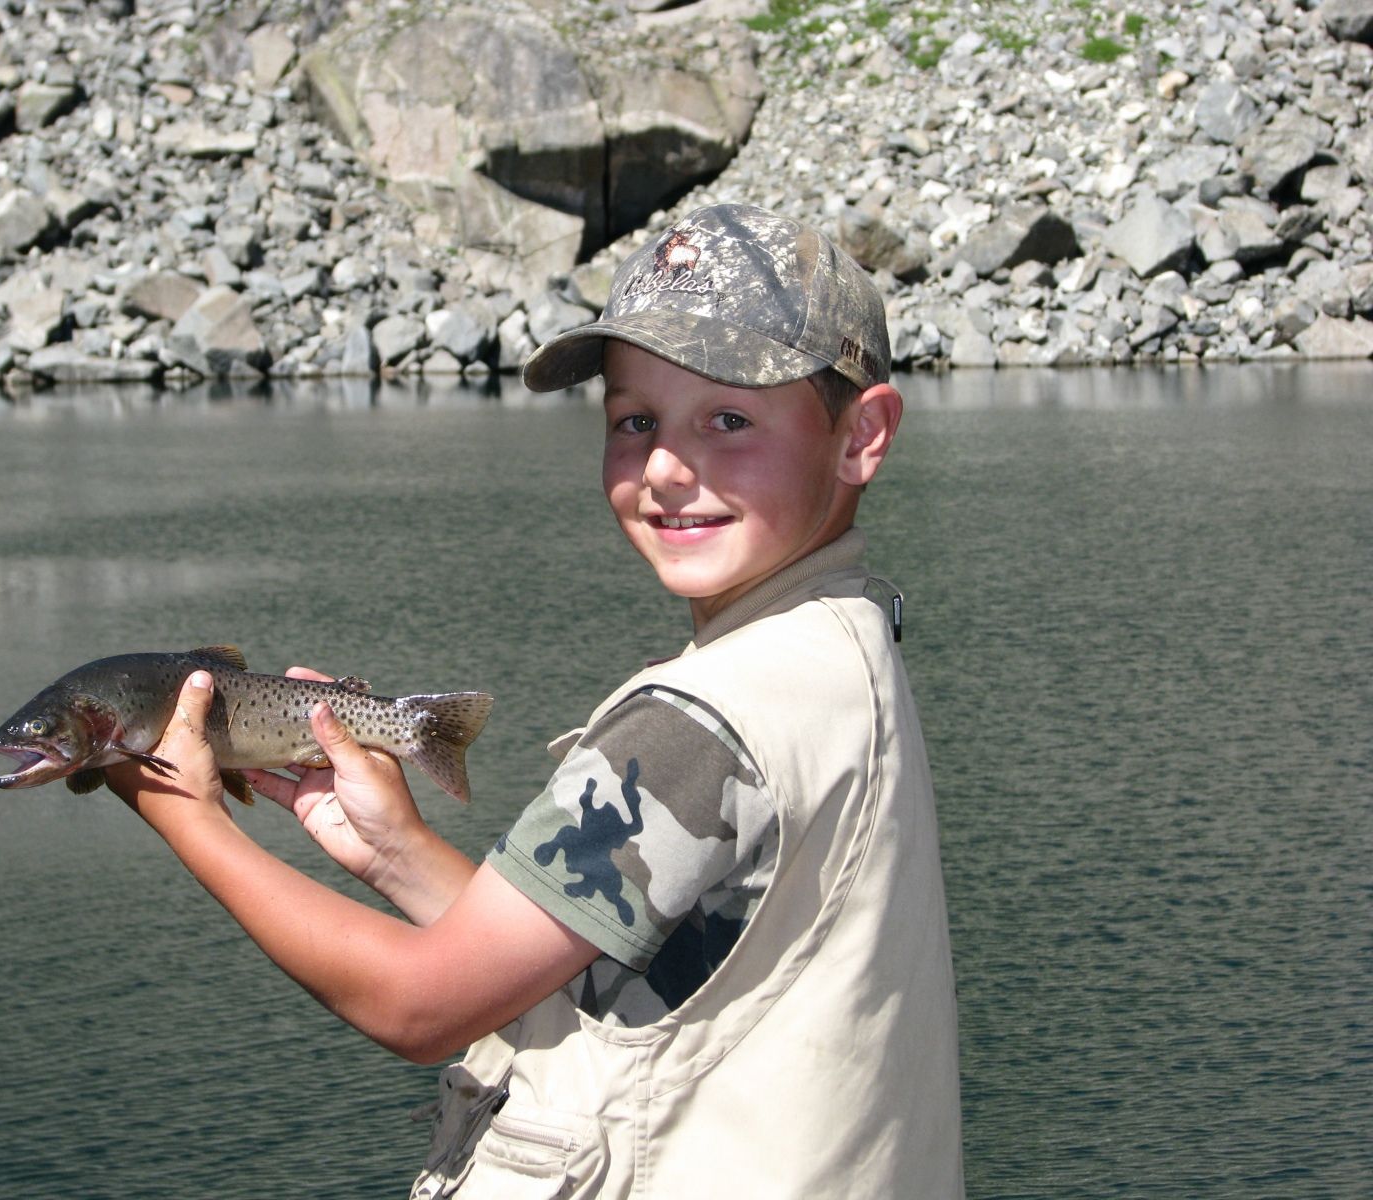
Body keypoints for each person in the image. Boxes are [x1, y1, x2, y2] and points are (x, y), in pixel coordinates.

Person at [108, 202, 964, 1197]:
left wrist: (182, 806)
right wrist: (393, 849)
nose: (666, 469)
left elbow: (419, 1007)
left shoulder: (696, 725)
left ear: (861, 437)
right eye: (633, 421)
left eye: (729, 419)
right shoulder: (837, 648)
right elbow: (587, 957)